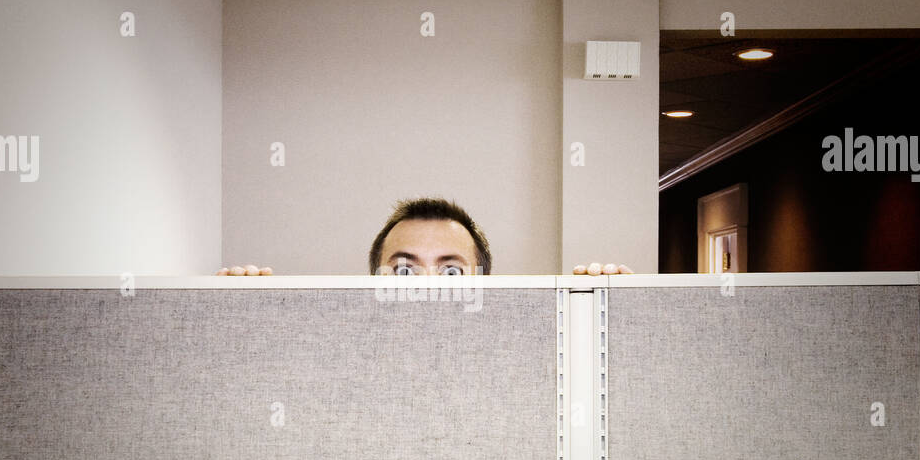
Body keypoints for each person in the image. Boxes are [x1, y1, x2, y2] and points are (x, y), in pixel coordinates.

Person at [215, 196, 633, 276]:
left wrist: (610, 312)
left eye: (450, 272)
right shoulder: (333, 354)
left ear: (481, 280)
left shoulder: (531, 358)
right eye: (404, 272)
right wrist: (242, 317)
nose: (427, 288)